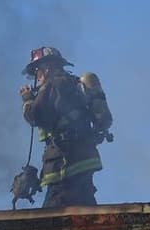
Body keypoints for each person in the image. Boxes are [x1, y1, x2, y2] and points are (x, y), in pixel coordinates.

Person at [19, 47, 113, 208]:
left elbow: (35, 116)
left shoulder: (53, 85)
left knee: (51, 215)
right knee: (85, 206)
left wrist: (27, 100)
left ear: (47, 68)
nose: (37, 78)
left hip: (63, 164)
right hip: (85, 158)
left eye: (37, 72)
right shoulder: (72, 84)